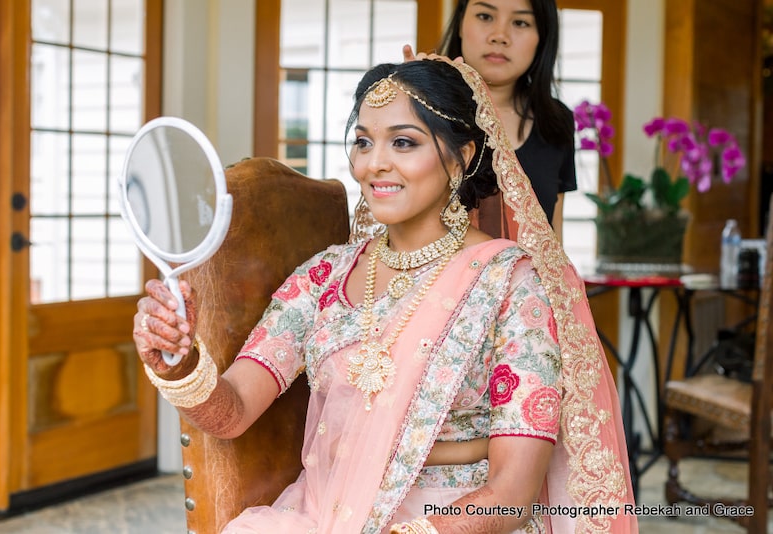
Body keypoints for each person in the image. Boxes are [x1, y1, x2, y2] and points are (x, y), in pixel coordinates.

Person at [133, 57, 636, 532]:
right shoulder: (323, 278)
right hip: (321, 515)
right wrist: (179, 363)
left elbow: (512, 491)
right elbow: (233, 410)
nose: (375, 164)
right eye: (363, 142)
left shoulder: (509, 284)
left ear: (462, 157)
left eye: (403, 143)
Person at [404, 0, 576, 243]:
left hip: (528, 280)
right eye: (485, 16)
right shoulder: (422, 106)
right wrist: (409, 107)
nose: (500, 36)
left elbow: (553, 234)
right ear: (461, 23)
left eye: (520, 22)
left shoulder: (557, 122)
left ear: (543, 36)